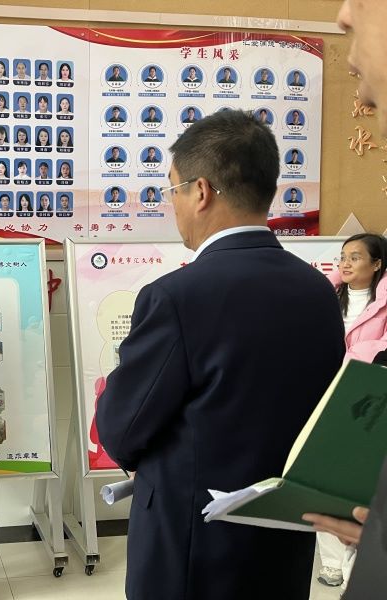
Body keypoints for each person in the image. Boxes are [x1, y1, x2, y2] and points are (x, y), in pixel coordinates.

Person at [95, 109, 345, 600]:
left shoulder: (175, 296)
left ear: (201, 191)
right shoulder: (318, 290)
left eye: (172, 189)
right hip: (283, 535)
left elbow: (123, 428)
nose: (173, 204)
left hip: (192, 545)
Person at [312, 233, 387, 590]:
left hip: (364, 398)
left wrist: (348, 359)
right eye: (343, 256)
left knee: (358, 481)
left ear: (377, 264)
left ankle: (354, 563)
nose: (345, 263)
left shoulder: (384, 301)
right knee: (322, 476)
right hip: (322, 396)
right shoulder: (324, 296)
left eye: (355, 257)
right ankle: (331, 563)